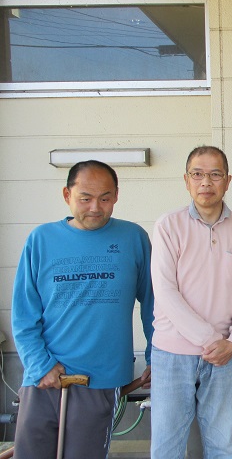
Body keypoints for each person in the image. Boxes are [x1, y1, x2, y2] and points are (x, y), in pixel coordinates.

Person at [11, 160, 154, 459]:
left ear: (116, 196)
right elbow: (24, 315)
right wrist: (41, 366)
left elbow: (154, 306)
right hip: (44, 379)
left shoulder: (133, 238)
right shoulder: (41, 240)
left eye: (105, 198)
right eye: (85, 198)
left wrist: (157, 358)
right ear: (67, 195)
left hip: (101, 378)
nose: (95, 208)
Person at [150, 146, 232, 458]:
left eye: (215, 174)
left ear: (228, 181)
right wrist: (213, 340)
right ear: (186, 180)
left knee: (223, 446)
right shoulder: (168, 226)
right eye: (197, 174)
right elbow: (165, 291)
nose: (206, 182)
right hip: (173, 354)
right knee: (167, 446)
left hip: (226, 356)